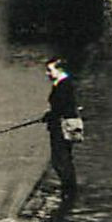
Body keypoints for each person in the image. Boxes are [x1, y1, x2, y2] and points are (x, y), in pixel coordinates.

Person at [41, 57, 80, 199]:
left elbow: (61, 107)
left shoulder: (63, 85)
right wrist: (49, 115)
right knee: (63, 158)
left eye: (50, 70)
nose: (47, 73)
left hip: (62, 125)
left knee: (60, 159)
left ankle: (69, 190)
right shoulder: (62, 84)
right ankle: (69, 188)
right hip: (63, 123)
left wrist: (51, 115)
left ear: (60, 70)